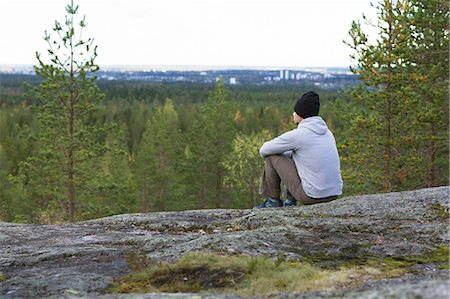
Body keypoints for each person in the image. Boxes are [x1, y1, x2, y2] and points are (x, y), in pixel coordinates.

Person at [256, 91, 343, 208]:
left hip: (311, 196)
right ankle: (290, 201)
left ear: (301, 114)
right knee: (295, 153)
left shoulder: (299, 135)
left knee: (271, 157)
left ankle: (273, 202)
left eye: (295, 111)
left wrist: (283, 156)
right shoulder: (327, 133)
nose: (293, 113)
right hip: (333, 194)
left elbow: (264, 149)